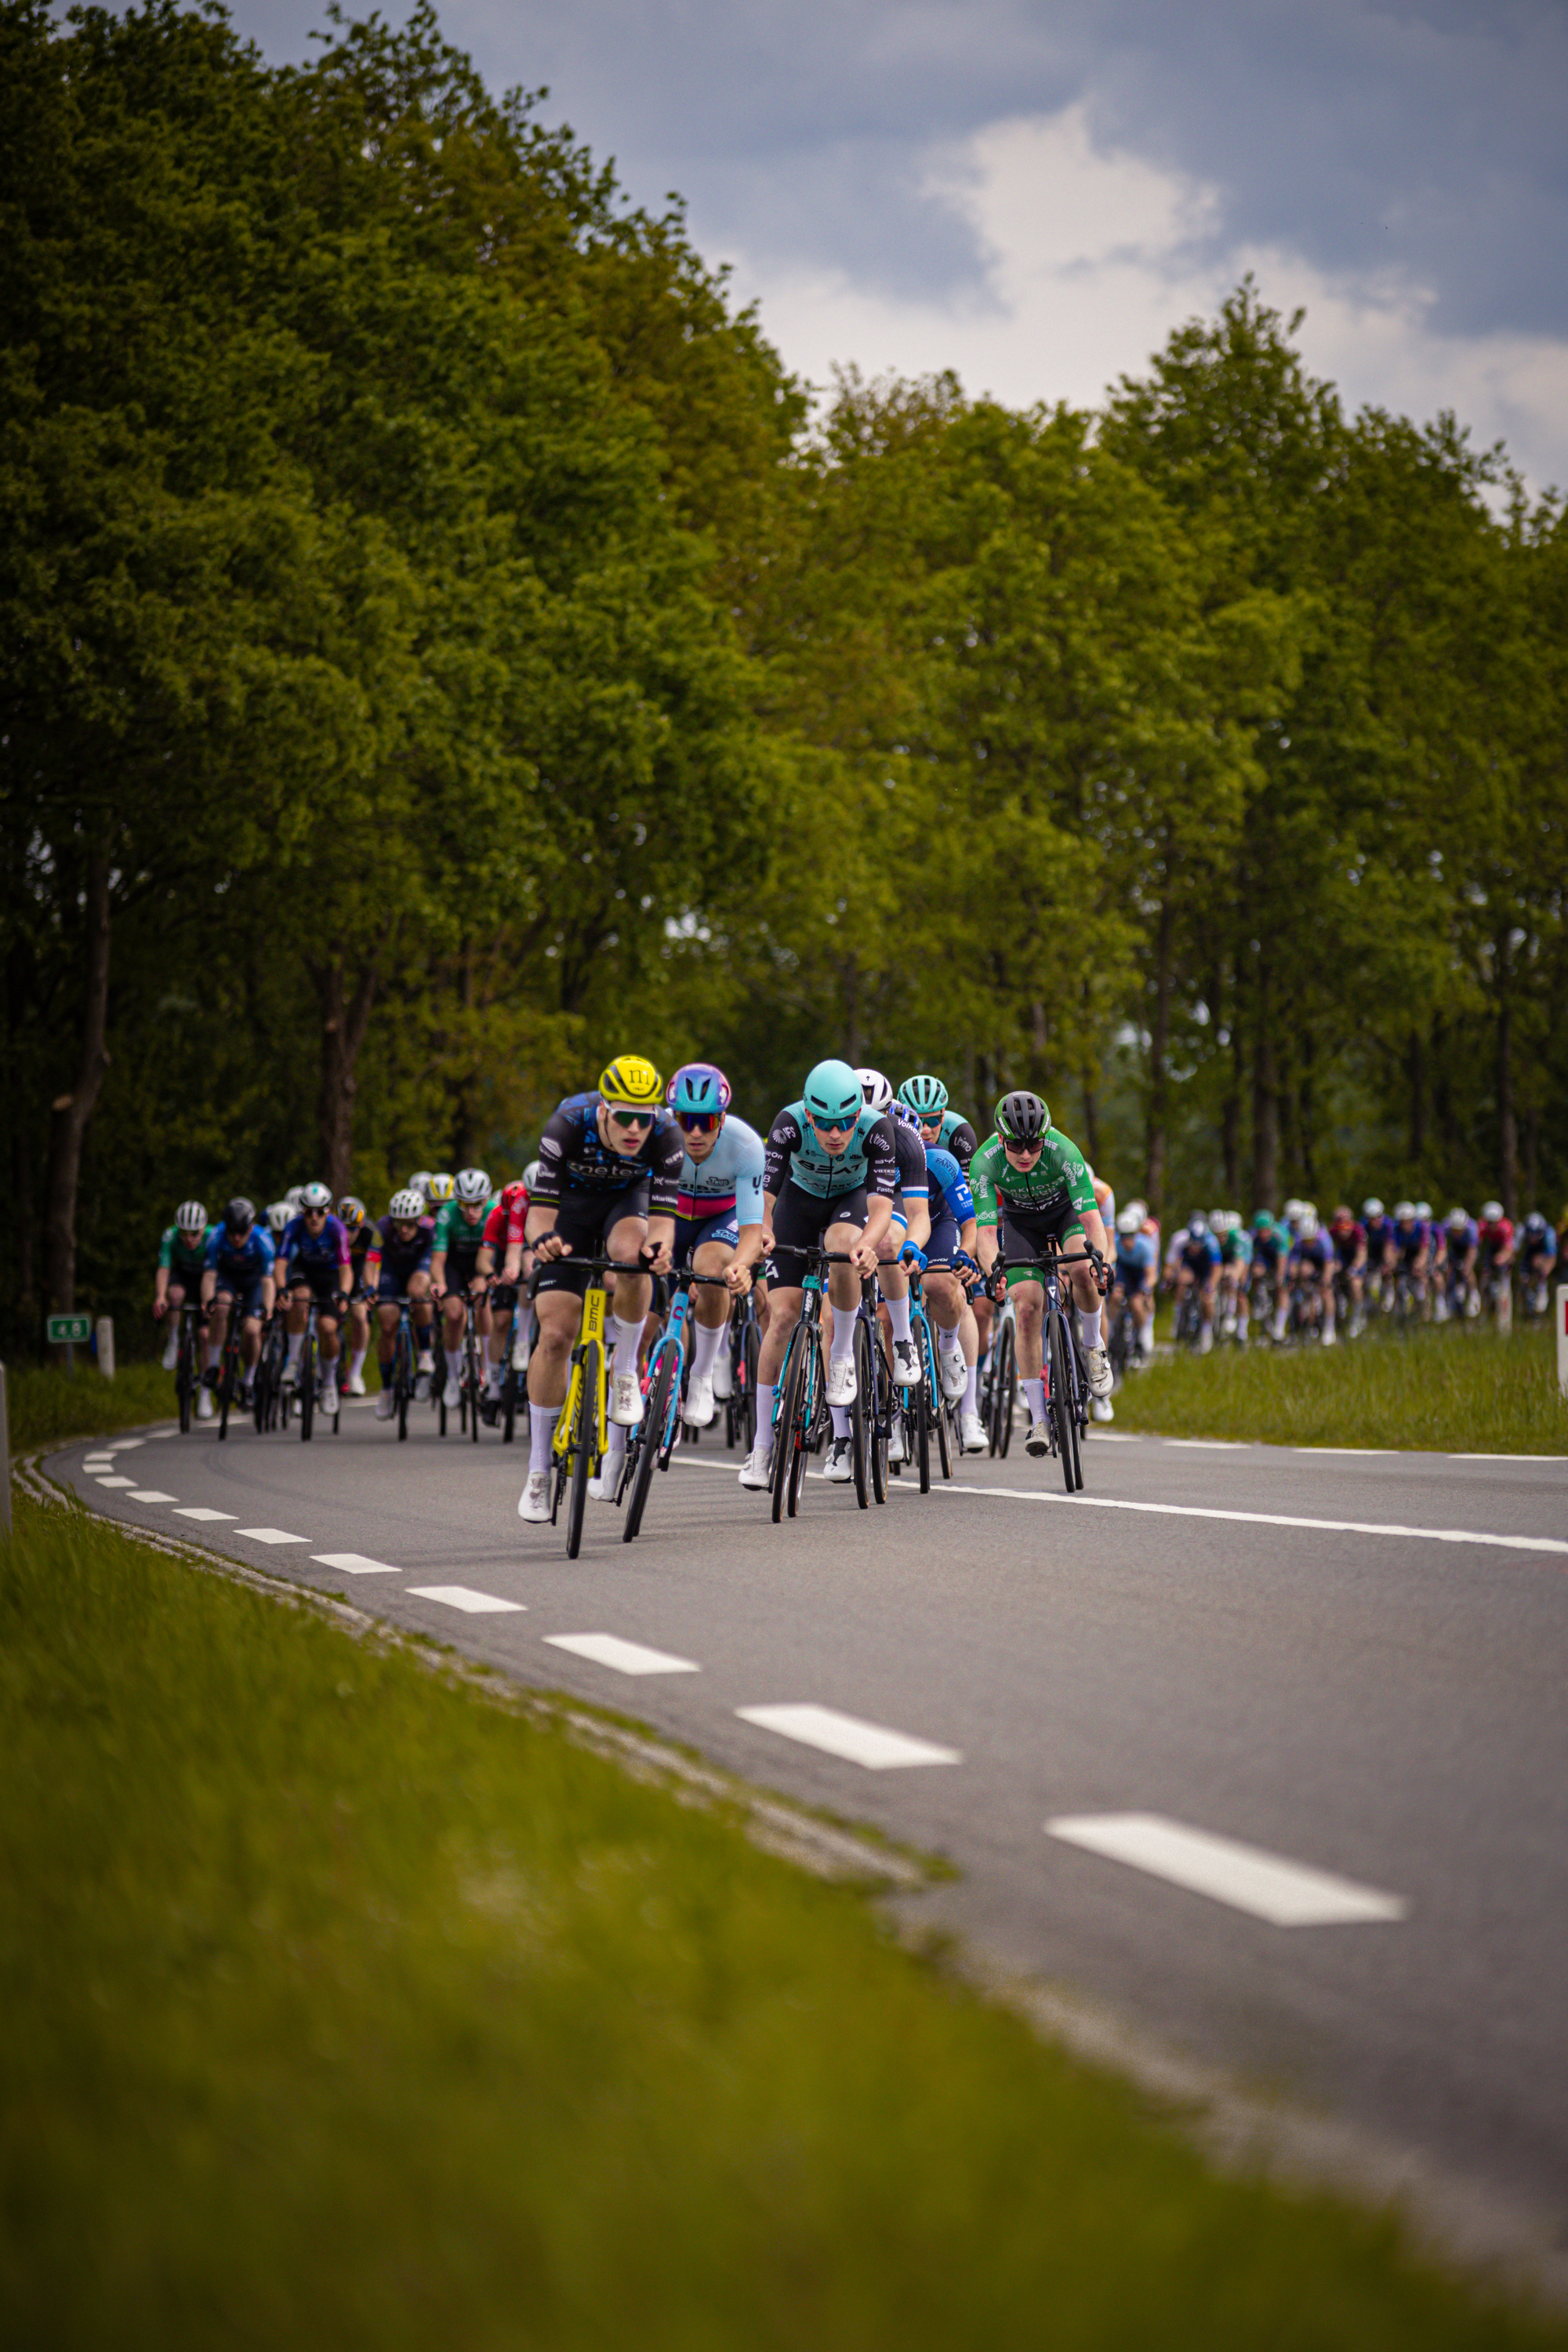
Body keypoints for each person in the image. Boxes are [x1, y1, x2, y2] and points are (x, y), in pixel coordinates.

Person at [518, 1056, 681, 1523]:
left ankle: (625, 1367)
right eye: (624, 1117)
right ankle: (538, 1471)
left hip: (625, 1206)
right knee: (554, 1335)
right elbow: (540, 1210)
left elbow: (664, 1223)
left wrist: (660, 1252)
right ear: (604, 1111)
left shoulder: (666, 1135)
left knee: (634, 1259)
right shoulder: (567, 1124)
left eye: (643, 1119)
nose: (635, 1129)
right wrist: (542, 1241)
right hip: (568, 1208)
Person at [739, 1058, 898, 1492]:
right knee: (782, 1317)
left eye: (845, 1122)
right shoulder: (788, 1123)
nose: (835, 1133)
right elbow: (765, 1196)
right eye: (825, 1123)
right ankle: (761, 1445)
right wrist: (765, 1231)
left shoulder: (875, 1129)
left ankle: (842, 1353)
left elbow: (882, 1208)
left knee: (844, 1246)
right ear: (810, 1114)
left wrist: (867, 1244)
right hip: (799, 1200)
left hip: (851, 1199)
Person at [970, 1092, 1112, 1458]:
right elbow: (986, 1233)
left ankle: (1094, 1347)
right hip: (1020, 1225)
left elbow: (1092, 1219)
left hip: (1065, 1216)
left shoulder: (1064, 1151)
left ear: (1045, 1137)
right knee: (1027, 1307)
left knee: (1081, 1266)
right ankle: (1038, 1417)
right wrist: (993, 1272)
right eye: (1016, 1145)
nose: (1026, 1154)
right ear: (1001, 1139)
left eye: (1034, 1144)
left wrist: (1102, 1262)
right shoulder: (984, 1164)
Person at [666, 1063, 766, 1431]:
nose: (694, 1133)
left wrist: (740, 1265)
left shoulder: (746, 1145)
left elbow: (753, 1231)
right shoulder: (655, 1136)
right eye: (684, 1121)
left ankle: (703, 1375)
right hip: (669, 1217)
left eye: (705, 1122)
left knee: (712, 1270)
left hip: (720, 1219)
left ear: (721, 1119)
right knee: (652, 1308)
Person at [276, 1181, 354, 1410]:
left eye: (320, 1211)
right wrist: (282, 1288)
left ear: (328, 1211)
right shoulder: (294, 1226)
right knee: (299, 1298)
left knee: (328, 1328)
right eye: (309, 1211)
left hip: (330, 1277)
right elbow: (280, 1264)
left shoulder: (336, 1229)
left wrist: (344, 1294)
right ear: (303, 1211)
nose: (314, 1217)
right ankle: (292, 1361)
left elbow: (346, 1269)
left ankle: (329, 1382)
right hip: (305, 1272)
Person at [365, 1189, 438, 1417]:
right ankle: (386, 1389)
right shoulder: (383, 1227)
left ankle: (425, 1354)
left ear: (418, 1219)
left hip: (419, 1268)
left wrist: (436, 1285)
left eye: (409, 1224)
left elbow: (438, 1261)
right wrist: (370, 1287)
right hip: (391, 1272)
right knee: (387, 1323)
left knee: (417, 1291)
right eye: (399, 1224)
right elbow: (371, 1262)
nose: (404, 1229)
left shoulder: (430, 1228)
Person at [200, 1197, 277, 1407]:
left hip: (254, 1283)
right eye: (232, 1232)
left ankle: (249, 1379)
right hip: (228, 1279)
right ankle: (214, 1365)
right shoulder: (216, 1236)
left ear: (251, 1227)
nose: (236, 1238)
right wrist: (208, 1301)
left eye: (241, 1232)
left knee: (252, 1330)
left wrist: (268, 1310)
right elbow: (209, 1275)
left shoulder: (263, 1240)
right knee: (221, 1305)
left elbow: (268, 1281)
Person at [430, 1167, 496, 1406]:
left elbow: (498, 1253)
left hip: (483, 1261)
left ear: (487, 1199)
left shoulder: (494, 1213)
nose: (471, 1211)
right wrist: (439, 1284)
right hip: (454, 1265)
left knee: (482, 1302)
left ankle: (488, 1371)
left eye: (477, 1203)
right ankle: (452, 1375)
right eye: (463, 1204)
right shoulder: (446, 1215)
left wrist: (486, 1277)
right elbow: (438, 1260)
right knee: (454, 1313)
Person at [154, 1200, 210, 1377]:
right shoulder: (170, 1236)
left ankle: (205, 1385)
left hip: (206, 1278)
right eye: (183, 1233)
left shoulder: (214, 1236)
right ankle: (173, 1340)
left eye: (194, 1234)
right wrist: (161, 1296)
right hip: (183, 1274)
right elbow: (164, 1269)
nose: (188, 1239)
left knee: (204, 1334)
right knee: (174, 1294)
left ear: (203, 1228)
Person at [337, 1196, 375, 1394]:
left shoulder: (370, 1233)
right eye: (345, 1229)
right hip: (337, 1274)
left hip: (360, 1274)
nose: (348, 1234)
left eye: (353, 1229)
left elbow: (375, 1264)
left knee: (360, 1317)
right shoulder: (332, 1232)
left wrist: (371, 1288)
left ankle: (355, 1373)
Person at [1111, 1204, 1157, 1363]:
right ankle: (1111, 1330)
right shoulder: (1115, 1243)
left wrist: (1145, 1288)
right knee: (1115, 1296)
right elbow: (1112, 1265)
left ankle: (1141, 1336)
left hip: (1139, 1274)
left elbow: (1151, 1275)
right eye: (1123, 1236)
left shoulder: (1145, 1246)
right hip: (1124, 1271)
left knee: (1138, 1305)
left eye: (1130, 1236)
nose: (1127, 1240)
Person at [1174, 1213, 1222, 1352]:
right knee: (1182, 1282)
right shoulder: (1181, 1240)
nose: (1195, 1246)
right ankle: (1179, 1318)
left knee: (1207, 1299)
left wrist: (1211, 1285)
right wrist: (1176, 1277)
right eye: (1193, 1242)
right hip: (1191, 1266)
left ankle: (1207, 1331)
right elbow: (1176, 1263)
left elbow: (1216, 1268)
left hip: (1206, 1268)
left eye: (1198, 1242)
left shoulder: (1211, 1243)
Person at [1327, 1203, 1368, 1337]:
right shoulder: (1332, 1231)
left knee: (1356, 1284)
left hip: (1355, 1257)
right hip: (1342, 1256)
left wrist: (1354, 1268)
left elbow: (1362, 1253)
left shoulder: (1358, 1230)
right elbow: (1329, 1253)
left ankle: (1357, 1317)